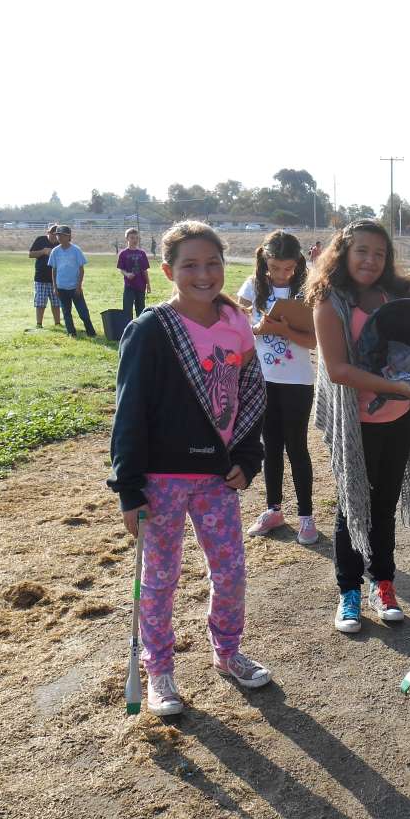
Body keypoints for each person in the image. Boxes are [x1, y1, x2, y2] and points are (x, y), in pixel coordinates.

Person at [108, 220, 271, 715]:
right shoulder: (150, 330)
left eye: (213, 263)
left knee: (231, 572)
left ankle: (227, 651)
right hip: (160, 480)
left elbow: (249, 394)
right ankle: (159, 669)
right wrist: (128, 488)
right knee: (159, 579)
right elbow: (129, 410)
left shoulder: (236, 322)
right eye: (190, 265)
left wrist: (247, 456)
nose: (204, 274)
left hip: (216, 479)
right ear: (167, 271)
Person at [306, 219, 410, 634]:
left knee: (384, 506)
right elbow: (340, 370)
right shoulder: (330, 300)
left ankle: (384, 583)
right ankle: (349, 591)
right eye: (362, 250)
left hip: (398, 420)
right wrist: (397, 386)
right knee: (353, 505)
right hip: (356, 424)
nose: (371, 260)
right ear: (344, 251)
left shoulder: (397, 291)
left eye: (379, 253)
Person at [237, 230, 319, 546]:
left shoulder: (308, 289)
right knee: (269, 446)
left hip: (297, 381)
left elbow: (312, 341)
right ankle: (273, 510)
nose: (282, 274)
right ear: (264, 261)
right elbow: (238, 324)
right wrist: (257, 328)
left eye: (289, 268)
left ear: (298, 263)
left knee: (296, 447)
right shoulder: (253, 286)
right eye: (275, 267)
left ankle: (306, 516)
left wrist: (283, 329)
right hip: (263, 380)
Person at [48, 225, 97, 337]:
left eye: (62, 235)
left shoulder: (76, 250)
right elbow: (54, 270)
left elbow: (81, 270)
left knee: (83, 312)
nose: (59, 237)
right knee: (66, 312)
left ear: (68, 236)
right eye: (57, 235)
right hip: (61, 287)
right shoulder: (55, 251)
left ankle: (91, 332)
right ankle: (71, 332)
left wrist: (79, 286)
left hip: (75, 288)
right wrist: (55, 287)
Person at [28, 223, 62, 329]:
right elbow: (30, 254)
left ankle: (57, 323)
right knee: (40, 302)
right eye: (53, 234)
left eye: (57, 235)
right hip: (41, 277)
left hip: (56, 279)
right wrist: (43, 251)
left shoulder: (61, 244)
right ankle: (39, 324)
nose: (55, 237)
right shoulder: (40, 240)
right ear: (48, 233)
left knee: (56, 303)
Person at [117, 227, 152, 321]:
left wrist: (148, 284)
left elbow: (145, 270)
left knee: (140, 310)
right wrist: (127, 274)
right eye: (132, 238)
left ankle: (139, 328)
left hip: (141, 286)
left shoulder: (142, 253)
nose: (135, 240)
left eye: (136, 238)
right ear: (127, 239)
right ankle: (128, 328)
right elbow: (121, 269)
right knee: (127, 310)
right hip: (129, 286)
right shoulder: (123, 254)